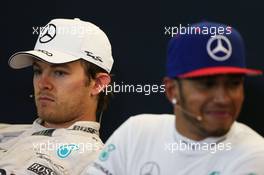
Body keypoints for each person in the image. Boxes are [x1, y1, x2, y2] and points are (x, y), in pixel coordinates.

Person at [84, 22, 264, 175]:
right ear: (171, 90)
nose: (223, 98)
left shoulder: (255, 155)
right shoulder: (136, 133)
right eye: (206, 84)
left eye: (233, 84)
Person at [0, 18, 113, 175]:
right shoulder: (7, 132)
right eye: (38, 71)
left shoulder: (96, 163)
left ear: (98, 84)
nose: (42, 84)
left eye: (59, 72)